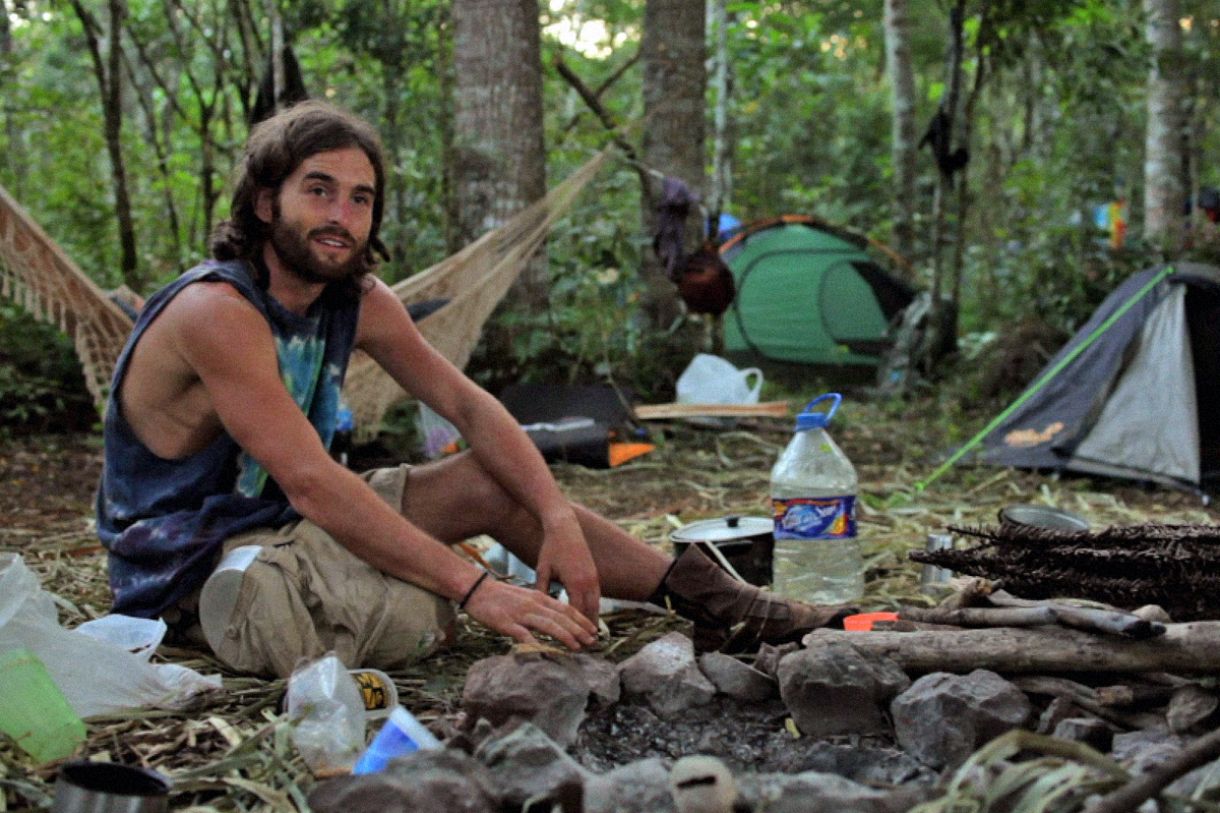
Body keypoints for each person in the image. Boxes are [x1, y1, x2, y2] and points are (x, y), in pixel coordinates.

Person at [96, 101, 850, 678]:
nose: (341, 216)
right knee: (422, 609)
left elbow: (468, 405)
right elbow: (313, 480)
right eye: (318, 191)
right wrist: (475, 586)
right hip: (192, 564)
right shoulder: (217, 312)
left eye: (360, 198)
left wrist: (553, 514)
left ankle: (725, 603)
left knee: (492, 484)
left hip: (287, 524)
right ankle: (290, 612)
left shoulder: (354, 298)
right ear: (266, 204)